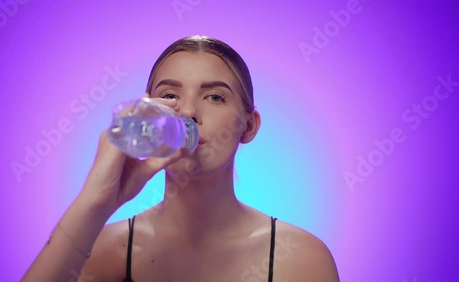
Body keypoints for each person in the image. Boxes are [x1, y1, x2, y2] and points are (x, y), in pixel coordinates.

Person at [22, 35, 339, 282]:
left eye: (215, 96)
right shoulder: (106, 250)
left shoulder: (299, 259)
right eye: (170, 95)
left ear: (249, 125)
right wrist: (94, 204)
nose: (187, 113)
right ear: (149, 113)